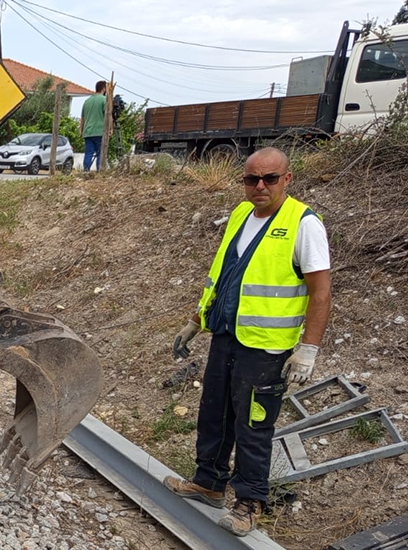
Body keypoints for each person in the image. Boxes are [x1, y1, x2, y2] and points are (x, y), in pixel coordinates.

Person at [164, 147, 331, 537]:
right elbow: (222, 276)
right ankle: (209, 482)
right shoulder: (241, 215)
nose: (259, 186)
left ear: (286, 180)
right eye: (251, 179)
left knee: (253, 426)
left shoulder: (303, 224)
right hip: (226, 335)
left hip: (266, 348)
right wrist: (196, 321)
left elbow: (320, 293)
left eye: (269, 178)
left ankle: (249, 502)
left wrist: (309, 348)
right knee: (214, 413)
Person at [80, 80, 107, 172]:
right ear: (104, 88)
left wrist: (81, 130)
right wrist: (110, 129)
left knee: (89, 153)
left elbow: (82, 118)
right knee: (100, 153)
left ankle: (86, 170)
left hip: (87, 131)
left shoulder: (87, 101)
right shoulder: (104, 99)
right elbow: (108, 116)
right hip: (100, 131)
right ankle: (99, 171)